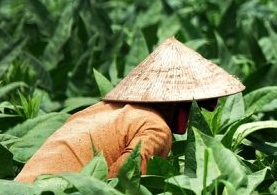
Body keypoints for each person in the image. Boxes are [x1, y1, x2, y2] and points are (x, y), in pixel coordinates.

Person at [14, 37, 244, 182]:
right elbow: (123, 184)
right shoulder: (155, 128)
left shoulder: (101, 109)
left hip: (17, 194)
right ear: (180, 102)